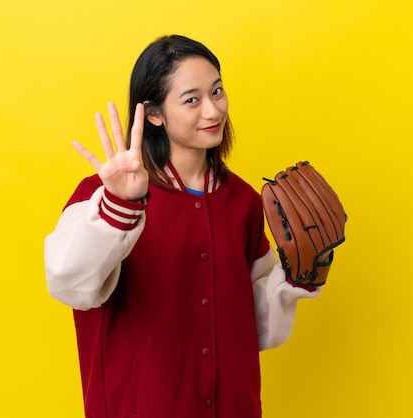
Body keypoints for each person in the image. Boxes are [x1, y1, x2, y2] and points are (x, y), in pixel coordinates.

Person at [44, 34, 323, 418]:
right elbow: (68, 283)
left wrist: (299, 279)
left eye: (218, 92)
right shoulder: (101, 195)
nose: (213, 111)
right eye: (191, 99)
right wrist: (118, 208)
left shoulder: (242, 200)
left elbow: (252, 326)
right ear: (155, 114)